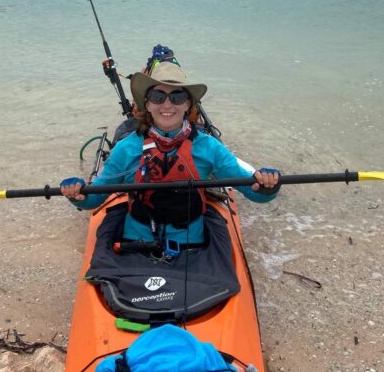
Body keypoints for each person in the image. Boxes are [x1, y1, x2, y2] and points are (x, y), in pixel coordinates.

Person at [61, 59, 281, 253]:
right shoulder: (126, 149)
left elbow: (254, 194)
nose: (167, 104)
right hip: (134, 244)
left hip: (191, 245)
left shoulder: (209, 147)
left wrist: (267, 186)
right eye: (158, 96)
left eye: (177, 97)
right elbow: (95, 199)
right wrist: (77, 194)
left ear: (188, 104)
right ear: (147, 103)